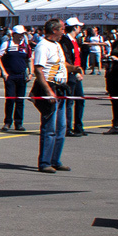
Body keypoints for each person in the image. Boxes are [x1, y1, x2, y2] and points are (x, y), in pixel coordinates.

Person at [31, 18, 71, 172]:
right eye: (62, 29)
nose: (63, 31)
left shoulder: (57, 45)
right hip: (50, 88)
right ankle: (45, 162)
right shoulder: (43, 46)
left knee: (61, 127)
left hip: (60, 89)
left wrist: (74, 68)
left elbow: (61, 64)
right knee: (49, 128)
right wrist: (48, 91)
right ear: (54, 30)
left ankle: (55, 159)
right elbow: (39, 70)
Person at [0, 24, 30, 131]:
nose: (21, 36)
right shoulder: (7, 44)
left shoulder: (25, 46)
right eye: (19, 34)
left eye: (22, 34)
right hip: (10, 75)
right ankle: (7, 122)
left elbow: (29, 59)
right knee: (10, 99)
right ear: (14, 34)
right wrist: (3, 71)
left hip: (21, 75)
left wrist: (30, 72)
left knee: (20, 100)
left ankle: (19, 123)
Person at [61, 17, 88, 136]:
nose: (80, 29)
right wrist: (74, 71)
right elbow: (67, 58)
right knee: (69, 101)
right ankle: (67, 127)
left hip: (76, 73)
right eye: (79, 27)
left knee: (80, 100)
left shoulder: (75, 41)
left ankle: (78, 126)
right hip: (70, 74)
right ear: (75, 27)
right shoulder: (65, 41)